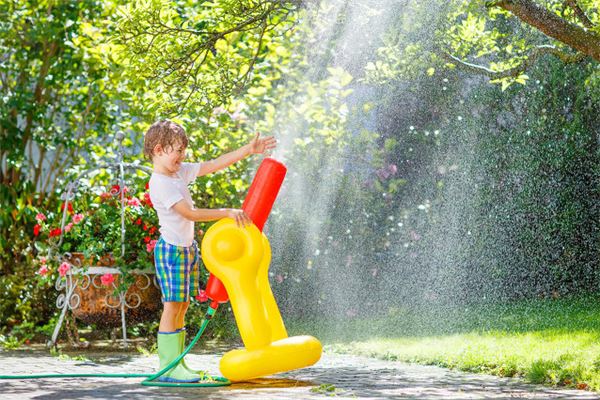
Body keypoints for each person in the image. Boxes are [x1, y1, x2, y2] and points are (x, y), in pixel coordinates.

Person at [143, 119, 276, 382]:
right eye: (177, 150)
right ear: (159, 150)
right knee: (172, 306)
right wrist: (227, 212)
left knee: (182, 306)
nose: (182, 156)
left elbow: (213, 165)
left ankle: (177, 363)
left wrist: (248, 150)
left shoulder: (177, 173)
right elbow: (189, 213)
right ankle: (167, 367)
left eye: (183, 150)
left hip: (186, 249)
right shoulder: (160, 182)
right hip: (171, 251)